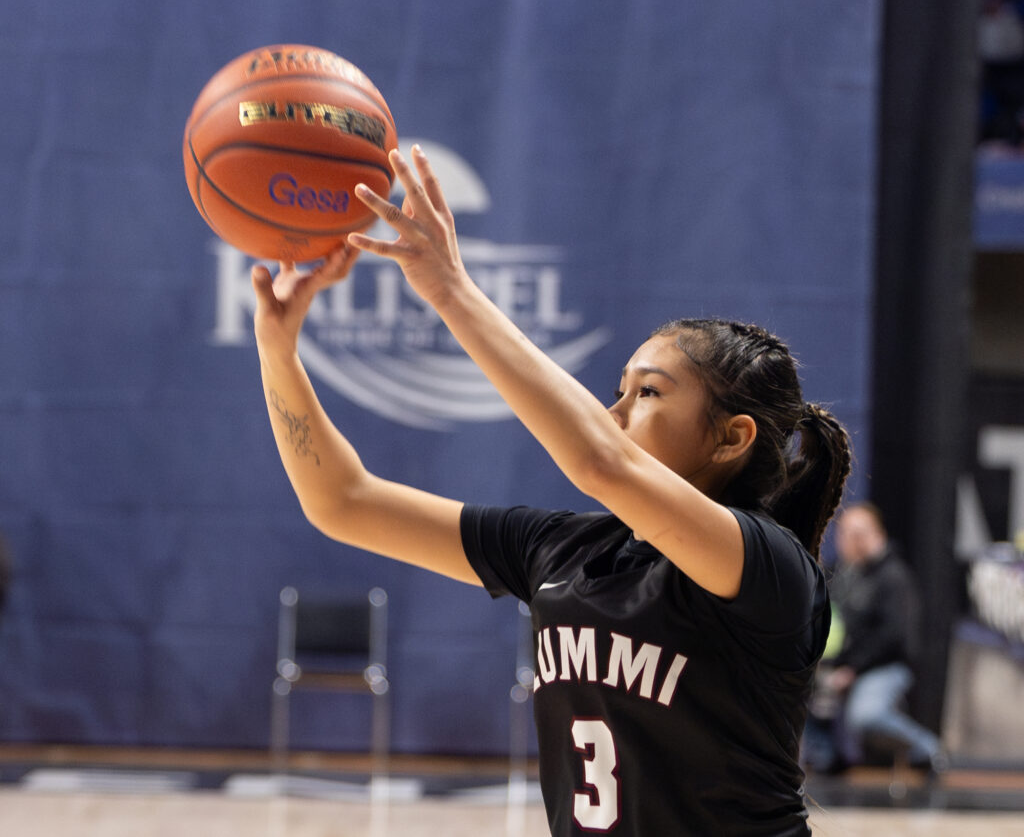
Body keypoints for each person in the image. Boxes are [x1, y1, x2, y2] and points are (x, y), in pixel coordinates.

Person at [250, 146, 852, 835]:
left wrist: (450, 290)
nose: (615, 412)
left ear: (731, 436)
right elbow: (343, 502)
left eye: (649, 392)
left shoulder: (767, 567)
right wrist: (277, 349)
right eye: (617, 390)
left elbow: (601, 463)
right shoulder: (561, 551)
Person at [807, 502, 944, 773]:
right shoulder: (840, 575)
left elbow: (894, 637)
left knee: (867, 716)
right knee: (799, 689)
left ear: (878, 534)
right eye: (846, 533)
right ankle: (829, 761)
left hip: (883, 667)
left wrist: (853, 669)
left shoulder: (894, 576)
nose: (852, 541)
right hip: (836, 666)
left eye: (860, 533)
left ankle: (927, 749)